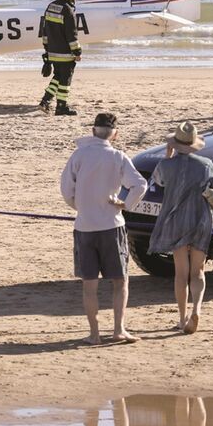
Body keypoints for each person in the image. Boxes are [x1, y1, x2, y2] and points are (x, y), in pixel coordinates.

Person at [61, 112, 148, 344]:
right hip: (111, 224)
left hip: (85, 225)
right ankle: (118, 329)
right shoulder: (117, 156)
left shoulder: (79, 155)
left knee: (89, 285)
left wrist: (81, 206)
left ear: (93, 131)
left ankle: (95, 334)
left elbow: (66, 189)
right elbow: (140, 185)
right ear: (115, 134)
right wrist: (125, 204)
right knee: (120, 281)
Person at [148, 121, 213, 335]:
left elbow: (159, 182)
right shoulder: (206, 164)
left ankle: (182, 317)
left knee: (180, 274)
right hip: (201, 218)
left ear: (175, 144)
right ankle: (197, 309)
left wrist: (168, 155)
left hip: (175, 220)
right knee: (198, 271)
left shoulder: (166, 165)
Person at [39, 0, 83, 116]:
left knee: (58, 76)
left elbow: (44, 30)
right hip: (65, 53)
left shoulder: (50, 6)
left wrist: (47, 49)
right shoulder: (68, 10)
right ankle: (61, 107)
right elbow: (72, 35)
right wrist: (77, 51)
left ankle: (45, 101)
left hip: (52, 51)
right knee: (65, 80)